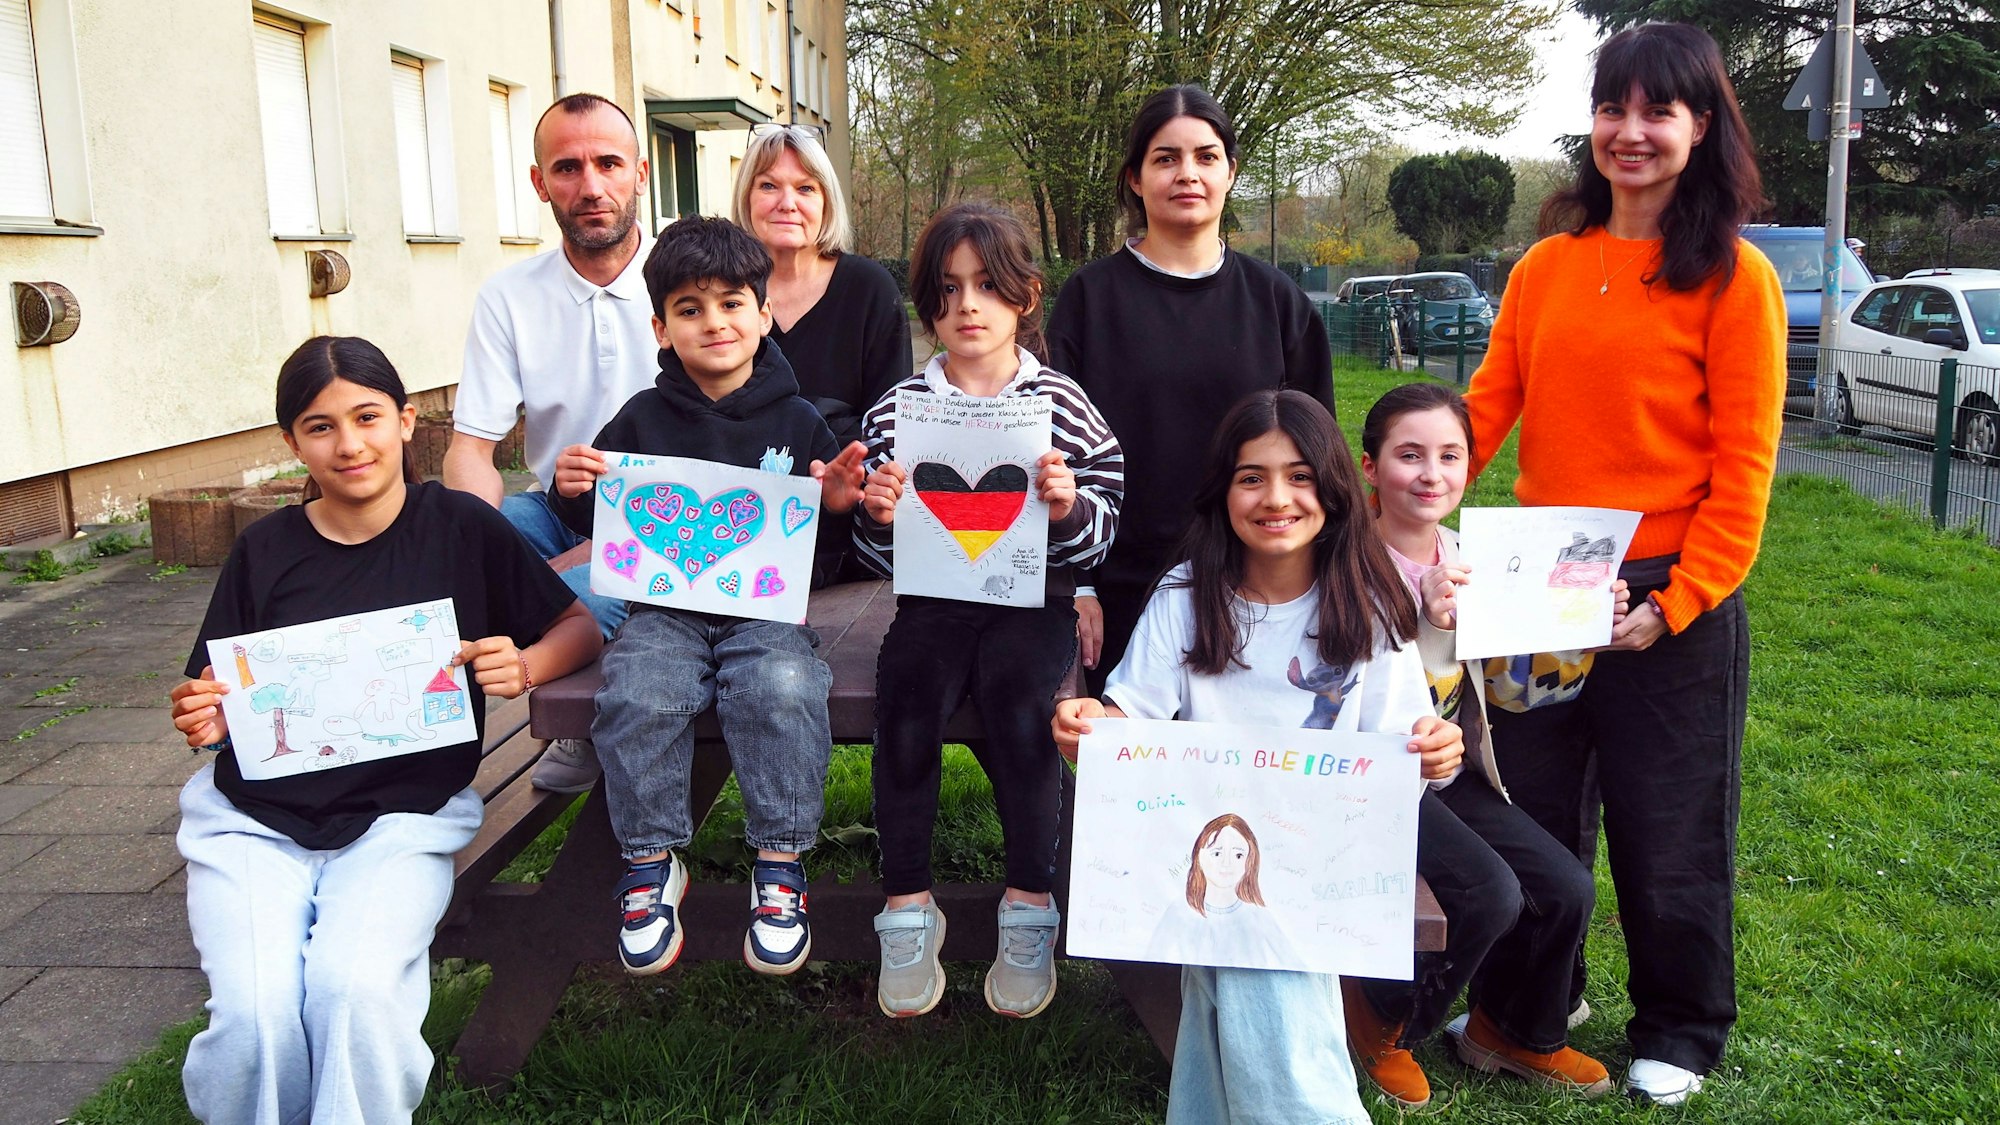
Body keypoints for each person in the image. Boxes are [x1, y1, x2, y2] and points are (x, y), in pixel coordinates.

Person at [1456, 22, 1786, 1105]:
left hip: (1667, 595)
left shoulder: (1734, 279)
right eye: (1613, 108)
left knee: (1668, 824)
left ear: (1699, 129)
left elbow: (1743, 471)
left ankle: (1681, 1029)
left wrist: (1678, 603)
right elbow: (1483, 411)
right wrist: (1399, 503)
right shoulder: (1545, 268)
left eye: (1657, 112)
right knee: (1530, 812)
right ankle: (1528, 1008)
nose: (1629, 132)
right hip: (1536, 586)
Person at [168, 337, 601, 1125]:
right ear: (292, 443)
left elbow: (578, 626)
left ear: (406, 422)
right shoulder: (264, 550)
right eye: (320, 426)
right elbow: (214, 694)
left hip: (402, 820)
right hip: (252, 825)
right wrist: (204, 711)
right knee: (256, 1015)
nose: (350, 443)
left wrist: (529, 664)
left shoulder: (462, 527)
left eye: (367, 416)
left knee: (353, 989)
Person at [1053, 389, 1463, 1124]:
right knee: (1230, 982)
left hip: (1323, 869)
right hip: (1209, 857)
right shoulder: (1186, 597)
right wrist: (1091, 723)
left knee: (1249, 982)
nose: (1277, 496)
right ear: (1224, 491)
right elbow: (1128, 718)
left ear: (1334, 489)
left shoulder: (1368, 605)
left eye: (1300, 475)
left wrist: (1436, 752)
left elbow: (1409, 748)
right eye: (1253, 476)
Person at [545, 215, 867, 978]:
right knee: (639, 688)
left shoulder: (800, 421)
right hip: (664, 611)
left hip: (765, 612)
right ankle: (651, 864)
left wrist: (841, 503)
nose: (714, 322)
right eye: (690, 309)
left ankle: (781, 865)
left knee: (782, 686)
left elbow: (824, 536)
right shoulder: (638, 421)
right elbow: (605, 521)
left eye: (731, 303)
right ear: (660, 327)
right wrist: (571, 493)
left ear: (764, 314)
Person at [852, 202, 1123, 1019]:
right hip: (932, 604)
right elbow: (868, 557)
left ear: (1025, 297)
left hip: (1032, 605)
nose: (968, 306)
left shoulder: (1065, 407)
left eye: (988, 287)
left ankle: (1029, 903)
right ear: (926, 306)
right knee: (902, 703)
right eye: (947, 289)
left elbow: (1105, 534)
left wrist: (1071, 507)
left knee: (1021, 705)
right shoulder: (897, 410)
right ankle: (907, 904)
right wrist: (876, 516)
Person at [1343, 381, 1613, 1109]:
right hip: (1363, 775)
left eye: (1449, 455)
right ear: (1370, 467)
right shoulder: (1338, 556)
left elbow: (1517, 692)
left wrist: (1576, 628)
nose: (1431, 473)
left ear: (1470, 469)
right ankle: (1381, 1019)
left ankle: (1513, 1029)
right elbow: (1331, 671)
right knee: (1485, 892)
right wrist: (1414, 604)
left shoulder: (1473, 557)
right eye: (1409, 454)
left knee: (1565, 887)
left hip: (1445, 772)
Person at [1046, 85, 1333, 691]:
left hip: (1256, 581)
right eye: (1165, 158)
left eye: (1205, 157)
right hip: (1122, 580)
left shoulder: (1277, 301)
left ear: (1230, 171)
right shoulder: (1089, 301)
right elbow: (1054, 456)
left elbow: (1319, 459)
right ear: (1135, 177)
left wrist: (1322, 576)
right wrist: (1077, 584)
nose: (1187, 174)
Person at [448, 92, 656, 795]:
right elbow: (472, 449)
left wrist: (600, 552)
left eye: (608, 163)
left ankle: (578, 711)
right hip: (559, 512)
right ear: (539, 183)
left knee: (579, 590)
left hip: (674, 523)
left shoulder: (690, 287)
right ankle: (423, 762)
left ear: (642, 172)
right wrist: (469, 546)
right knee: (467, 554)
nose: (591, 186)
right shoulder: (508, 296)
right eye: (567, 167)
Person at [732, 123, 913, 584]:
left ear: (826, 201)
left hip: (850, 524)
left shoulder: (869, 288)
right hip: (742, 524)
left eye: (805, 188)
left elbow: (892, 423)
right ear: (747, 198)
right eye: (768, 185)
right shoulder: (725, 292)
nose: (787, 203)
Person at [1144, 814, 1303, 967]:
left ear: (1250, 861)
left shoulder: (1258, 916)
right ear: (1199, 856)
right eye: (1217, 853)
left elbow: (1295, 961)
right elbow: (1150, 957)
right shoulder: (1180, 912)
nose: (1226, 863)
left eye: (1238, 855)